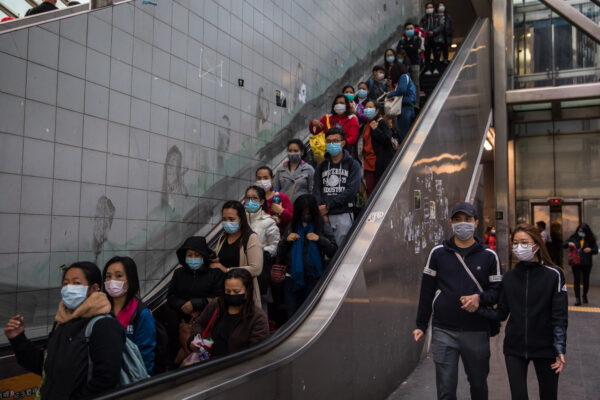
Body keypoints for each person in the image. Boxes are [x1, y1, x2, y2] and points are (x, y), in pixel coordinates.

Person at [413, 202, 502, 400]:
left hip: (477, 331)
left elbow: (497, 292)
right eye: (458, 220)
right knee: (446, 389)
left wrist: (479, 298)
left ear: (476, 223)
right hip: (443, 330)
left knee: (479, 386)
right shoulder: (438, 253)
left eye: (468, 220)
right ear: (451, 223)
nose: (463, 224)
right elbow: (427, 291)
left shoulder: (489, 256)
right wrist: (421, 324)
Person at [5, 262, 125, 399]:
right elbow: (46, 367)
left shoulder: (104, 326)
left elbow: (106, 380)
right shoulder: (62, 322)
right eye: (66, 283)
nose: (69, 288)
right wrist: (18, 339)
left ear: (94, 288)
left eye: (76, 283)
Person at [477, 224, 568, 400]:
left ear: (537, 244)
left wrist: (559, 347)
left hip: (546, 348)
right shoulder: (510, 277)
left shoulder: (554, 275)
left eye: (524, 242)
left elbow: (559, 316)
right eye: (516, 242)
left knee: (549, 395)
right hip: (514, 348)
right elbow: (502, 313)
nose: (519, 247)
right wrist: (478, 309)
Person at [278, 195, 338, 318]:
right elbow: (280, 252)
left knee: (312, 315)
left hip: (313, 278)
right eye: (303, 212)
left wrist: (319, 239)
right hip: (292, 277)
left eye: (308, 212)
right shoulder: (292, 225)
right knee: (292, 314)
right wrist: (286, 241)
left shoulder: (321, 224)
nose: (306, 215)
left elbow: (333, 251)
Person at [167, 236, 224, 365]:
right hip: (184, 325)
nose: (193, 258)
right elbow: (170, 297)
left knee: (200, 357)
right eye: (190, 255)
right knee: (185, 355)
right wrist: (183, 305)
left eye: (197, 255)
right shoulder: (178, 273)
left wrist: (195, 304)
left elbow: (220, 298)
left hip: (207, 327)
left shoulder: (215, 274)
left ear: (204, 256)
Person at [188, 269, 269, 358]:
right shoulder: (216, 305)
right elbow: (199, 324)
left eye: (236, 291)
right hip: (209, 363)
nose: (231, 294)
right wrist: (195, 340)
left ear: (247, 292)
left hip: (235, 367)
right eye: (228, 291)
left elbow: (256, 352)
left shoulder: (257, 317)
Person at [103, 256, 156, 375]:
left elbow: (145, 355)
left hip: (131, 379)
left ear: (130, 279)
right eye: (108, 276)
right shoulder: (101, 309)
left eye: (119, 276)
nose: (112, 281)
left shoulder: (141, 314)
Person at [313, 127, 361, 245]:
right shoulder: (321, 166)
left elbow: (351, 191)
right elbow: (317, 189)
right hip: (324, 215)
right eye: (328, 141)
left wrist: (328, 206)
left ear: (343, 143)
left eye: (335, 141)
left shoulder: (352, 164)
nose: (331, 144)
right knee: (325, 250)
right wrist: (321, 209)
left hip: (343, 213)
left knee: (342, 248)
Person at [211, 201, 263, 308]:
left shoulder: (251, 238)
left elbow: (256, 268)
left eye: (231, 219)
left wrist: (227, 270)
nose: (227, 222)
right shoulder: (222, 238)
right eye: (224, 219)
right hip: (224, 293)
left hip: (243, 295)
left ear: (241, 219)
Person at [361, 101, 396, 195]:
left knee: (380, 190)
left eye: (370, 107)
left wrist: (375, 129)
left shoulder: (382, 122)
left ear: (376, 111)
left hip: (379, 163)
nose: (367, 109)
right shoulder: (365, 125)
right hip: (368, 163)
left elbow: (387, 139)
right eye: (366, 107)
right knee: (370, 191)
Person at [564, 223, 598, 305]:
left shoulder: (591, 239)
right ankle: (577, 299)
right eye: (579, 231)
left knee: (586, 280)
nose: (580, 232)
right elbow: (564, 244)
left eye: (582, 231)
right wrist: (569, 244)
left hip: (587, 262)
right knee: (577, 280)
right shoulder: (574, 237)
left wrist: (590, 249)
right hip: (576, 262)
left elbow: (596, 250)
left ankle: (584, 295)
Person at [274, 139, 315, 203]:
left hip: (302, 207)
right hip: (284, 208)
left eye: (296, 151)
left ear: (302, 152)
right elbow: (275, 190)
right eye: (290, 151)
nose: (292, 153)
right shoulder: (280, 170)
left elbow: (312, 191)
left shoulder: (309, 169)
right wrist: (277, 204)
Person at [255, 166, 293, 233]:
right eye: (259, 178)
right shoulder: (252, 198)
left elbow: (292, 219)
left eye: (265, 178)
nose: (262, 181)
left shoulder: (281, 197)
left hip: (277, 238)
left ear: (272, 180)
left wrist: (281, 211)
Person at [386, 64, 417, 144]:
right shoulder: (408, 78)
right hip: (410, 107)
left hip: (405, 108)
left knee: (404, 134)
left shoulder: (403, 77)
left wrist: (390, 94)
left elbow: (402, 90)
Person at [397, 21, 423, 107]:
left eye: (411, 29)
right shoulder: (401, 41)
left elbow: (415, 48)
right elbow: (399, 51)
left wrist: (406, 47)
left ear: (414, 29)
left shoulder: (417, 39)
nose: (409, 30)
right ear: (405, 30)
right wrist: (409, 46)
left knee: (415, 83)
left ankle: (416, 102)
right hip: (404, 66)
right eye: (407, 29)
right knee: (405, 84)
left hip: (415, 63)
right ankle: (407, 102)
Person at [421, 1, 441, 75]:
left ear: (433, 8)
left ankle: (436, 68)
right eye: (428, 8)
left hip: (435, 38)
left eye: (431, 7)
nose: (429, 9)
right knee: (427, 55)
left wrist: (434, 32)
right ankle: (428, 69)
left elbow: (440, 26)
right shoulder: (424, 18)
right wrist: (427, 32)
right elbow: (422, 28)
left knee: (436, 54)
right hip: (427, 39)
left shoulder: (437, 16)